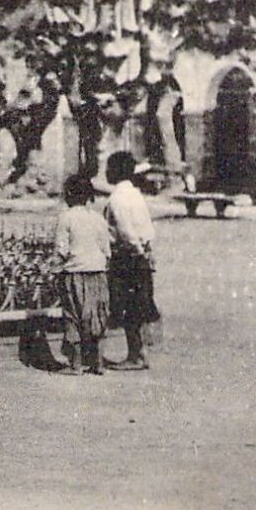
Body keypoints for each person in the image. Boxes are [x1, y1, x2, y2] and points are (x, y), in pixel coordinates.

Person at [104, 150, 159, 370]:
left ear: (115, 171)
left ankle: (135, 355)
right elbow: (146, 227)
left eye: (108, 168)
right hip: (142, 255)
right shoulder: (136, 195)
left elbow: (125, 231)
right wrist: (146, 250)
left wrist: (135, 249)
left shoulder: (117, 198)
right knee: (141, 305)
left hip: (127, 257)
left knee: (128, 307)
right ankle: (140, 352)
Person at [54, 173, 111, 375]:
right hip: (98, 272)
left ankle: (75, 364)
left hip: (75, 273)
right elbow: (107, 249)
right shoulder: (98, 219)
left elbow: (61, 250)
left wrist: (54, 270)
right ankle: (98, 363)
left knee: (73, 317)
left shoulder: (66, 218)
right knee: (98, 316)